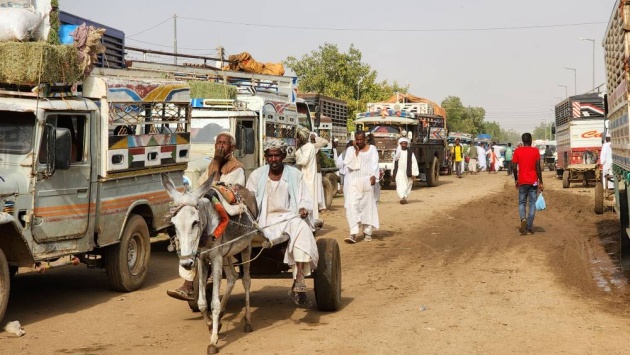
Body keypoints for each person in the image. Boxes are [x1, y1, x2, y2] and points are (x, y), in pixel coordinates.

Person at [167, 132, 245, 301]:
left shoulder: (237, 168)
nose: (220, 146)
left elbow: (219, 189)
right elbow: (200, 187)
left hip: (228, 216)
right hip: (209, 211)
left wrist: (216, 164)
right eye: (218, 143)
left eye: (224, 143)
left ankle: (193, 283)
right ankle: (189, 284)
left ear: (232, 148)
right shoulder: (211, 165)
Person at [246, 139, 319, 307]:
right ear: (265, 157)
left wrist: (303, 209)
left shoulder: (295, 175)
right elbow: (249, 201)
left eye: (277, 155)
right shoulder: (257, 175)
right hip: (262, 221)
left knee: (301, 228)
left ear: (283, 156)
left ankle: (299, 278)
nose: (273, 159)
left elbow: (304, 199)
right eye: (270, 156)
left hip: (288, 218)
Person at [343, 130, 380, 243]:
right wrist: (357, 152)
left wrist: (374, 176)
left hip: (367, 181)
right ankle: (353, 233)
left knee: (367, 207)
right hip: (353, 182)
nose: (359, 142)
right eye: (357, 139)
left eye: (361, 139)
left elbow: (375, 164)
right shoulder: (350, 150)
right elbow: (350, 165)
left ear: (365, 139)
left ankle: (367, 232)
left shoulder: (372, 149)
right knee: (352, 206)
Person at [512, 132, 543, 235]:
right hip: (533, 182)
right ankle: (529, 227)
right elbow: (538, 167)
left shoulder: (517, 151)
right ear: (530, 140)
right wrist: (541, 181)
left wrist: (516, 179)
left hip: (522, 181)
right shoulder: (535, 151)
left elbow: (513, 166)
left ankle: (523, 220)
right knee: (532, 203)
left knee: (522, 203)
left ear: (522, 141)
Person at [295, 127, 322, 231]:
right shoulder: (306, 146)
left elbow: (302, 161)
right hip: (305, 176)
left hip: (308, 178)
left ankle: (311, 227)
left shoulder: (309, 146)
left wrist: (296, 151)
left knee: (309, 201)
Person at [393, 138, 419, 204]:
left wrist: (414, 173)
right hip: (399, 171)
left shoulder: (410, 153)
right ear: (400, 144)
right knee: (399, 184)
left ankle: (405, 196)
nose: (404, 145)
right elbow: (394, 163)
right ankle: (402, 197)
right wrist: (392, 172)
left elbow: (414, 162)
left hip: (408, 171)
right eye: (402, 143)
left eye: (405, 143)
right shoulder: (397, 153)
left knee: (408, 184)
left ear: (407, 144)